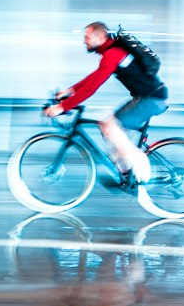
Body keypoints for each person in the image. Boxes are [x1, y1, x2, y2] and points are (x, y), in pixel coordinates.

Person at [44, 21, 168, 184]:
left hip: (151, 99)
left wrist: (62, 107)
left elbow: (91, 88)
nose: (84, 41)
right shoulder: (111, 52)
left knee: (110, 127)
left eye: (87, 37)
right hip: (146, 97)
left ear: (101, 36)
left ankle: (138, 160)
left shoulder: (113, 53)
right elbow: (95, 76)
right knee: (108, 126)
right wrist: (70, 91)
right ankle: (125, 171)